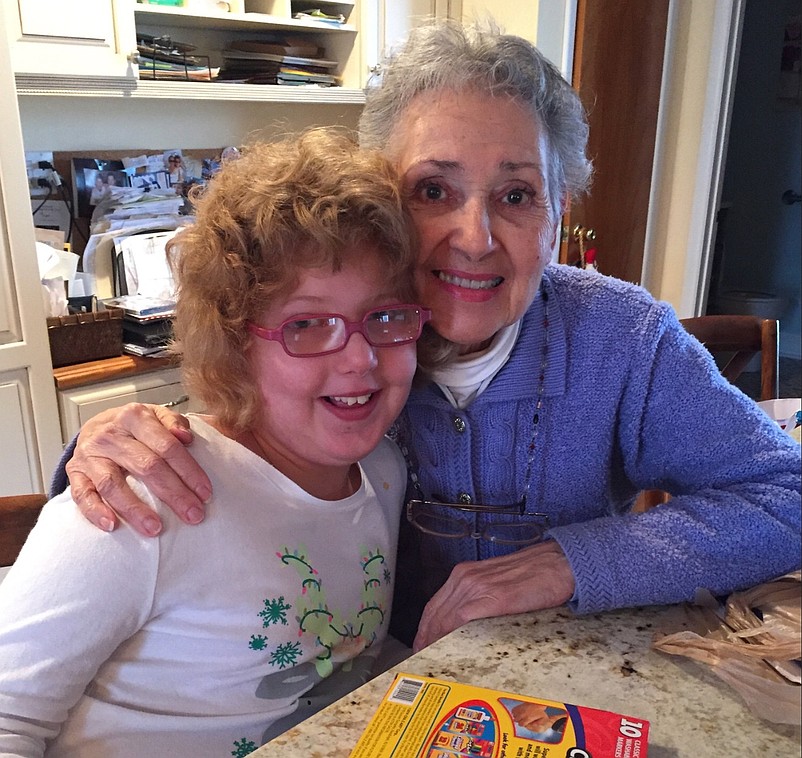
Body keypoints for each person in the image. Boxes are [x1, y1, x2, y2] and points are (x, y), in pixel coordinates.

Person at [52, 20, 801, 654]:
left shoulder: (623, 337)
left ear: (557, 214)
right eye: (433, 191)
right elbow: (219, 443)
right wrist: (110, 447)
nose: (473, 238)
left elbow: (787, 494)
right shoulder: (325, 336)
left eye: (516, 196)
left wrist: (570, 562)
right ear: (378, 191)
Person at [0, 128, 435, 755]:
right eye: (307, 324)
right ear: (233, 343)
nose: (361, 358)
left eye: (387, 316)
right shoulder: (140, 496)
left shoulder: (385, 470)